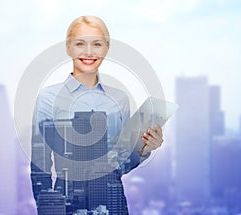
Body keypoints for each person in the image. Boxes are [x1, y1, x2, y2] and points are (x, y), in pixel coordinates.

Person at [31, 15, 164, 215]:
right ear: (68, 48)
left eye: (97, 44)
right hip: (67, 204)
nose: (89, 52)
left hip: (113, 204)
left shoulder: (119, 99)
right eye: (80, 44)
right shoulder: (48, 97)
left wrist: (145, 148)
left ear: (106, 48)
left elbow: (120, 164)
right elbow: (39, 167)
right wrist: (48, 208)